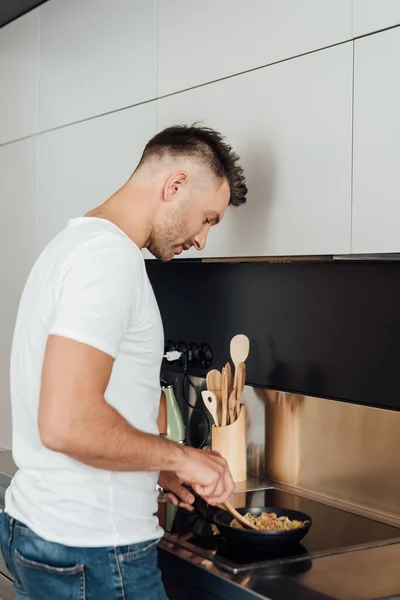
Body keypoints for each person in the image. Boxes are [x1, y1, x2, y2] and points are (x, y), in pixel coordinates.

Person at [0, 124, 247, 599]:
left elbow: (87, 411)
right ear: (174, 186)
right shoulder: (106, 261)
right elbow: (68, 423)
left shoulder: (72, 247)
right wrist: (185, 456)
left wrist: (156, 469)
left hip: (47, 532)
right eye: (207, 218)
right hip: (94, 552)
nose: (203, 239)